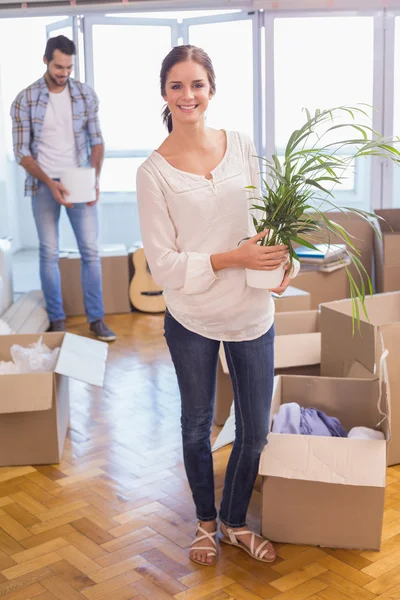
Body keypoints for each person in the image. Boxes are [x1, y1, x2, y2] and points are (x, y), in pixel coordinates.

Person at [136, 45, 300, 566]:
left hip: (251, 312)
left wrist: (282, 262)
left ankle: (233, 523)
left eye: (197, 85)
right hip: (192, 318)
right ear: (164, 92)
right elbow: (163, 266)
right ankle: (205, 523)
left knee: (255, 431)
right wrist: (233, 258)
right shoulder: (153, 173)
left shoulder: (244, 147)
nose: (188, 95)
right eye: (177, 86)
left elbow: (270, 221)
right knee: (195, 426)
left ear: (212, 89)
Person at [10, 35, 116, 342]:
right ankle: (57, 320)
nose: (64, 72)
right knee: (49, 253)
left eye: (69, 67)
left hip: (78, 181)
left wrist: (94, 179)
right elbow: (22, 153)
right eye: (59, 66)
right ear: (45, 60)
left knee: (91, 252)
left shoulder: (84, 95)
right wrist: (50, 183)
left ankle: (96, 319)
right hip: (43, 183)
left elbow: (97, 141)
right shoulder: (25, 99)